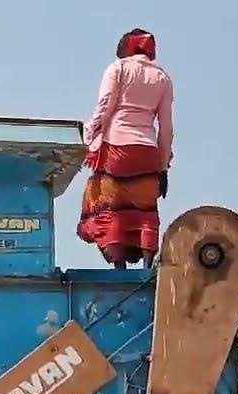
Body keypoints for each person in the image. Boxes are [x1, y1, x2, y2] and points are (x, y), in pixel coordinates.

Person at [77, 28, 174, 269]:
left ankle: (119, 267)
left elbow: (104, 109)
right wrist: (162, 168)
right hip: (147, 151)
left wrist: (86, 139)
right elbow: (166, 127)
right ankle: (147, 266)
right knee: (146, 208)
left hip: (116, 148)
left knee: (107, 203)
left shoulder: (117, 69)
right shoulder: (163, 78)